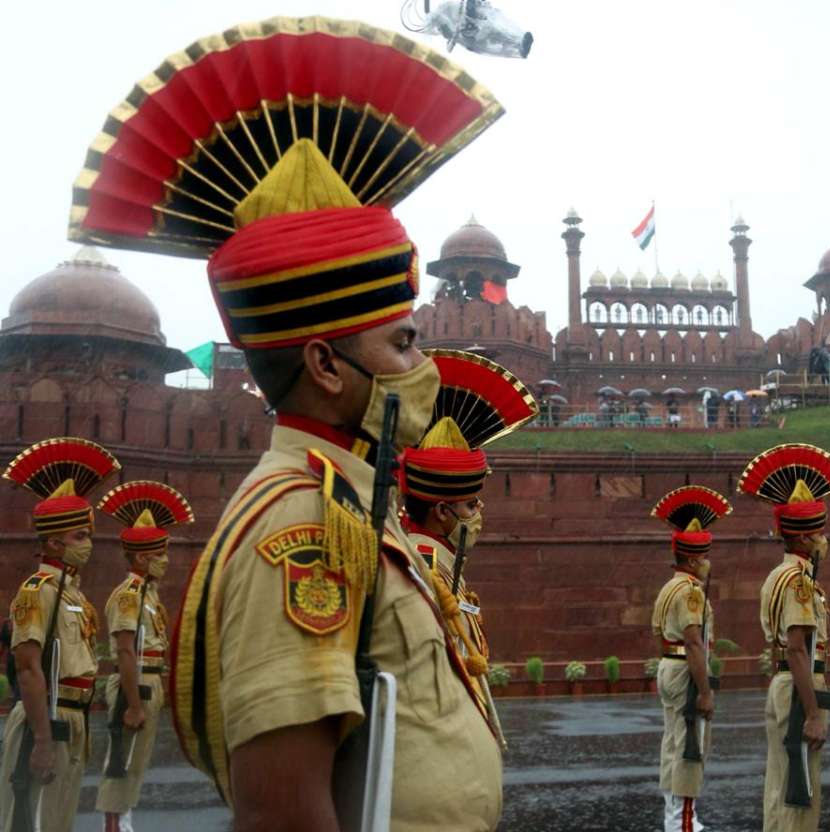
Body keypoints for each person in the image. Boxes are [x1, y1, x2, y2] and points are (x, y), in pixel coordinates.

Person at [69, 16, 508, 828]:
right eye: (403, 342)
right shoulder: (306, 524)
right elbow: (284, 808)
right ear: (326, 365)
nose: (423, 368)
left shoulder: (349, 504)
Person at [399, 348, 538, 748]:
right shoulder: (420, 567)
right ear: (443, 512)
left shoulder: (437, 563)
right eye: (471, 505)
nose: (479, 513)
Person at [0, 437, 120, 832]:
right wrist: (41, 740)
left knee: (56, 822)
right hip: (47, 719)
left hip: (74, 719)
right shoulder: (37, 591)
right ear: (53, 542)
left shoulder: (73, 594)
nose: (89, 545)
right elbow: (30, 670)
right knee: (30, 821)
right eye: (79, 538)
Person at [739, 443, 830, 832]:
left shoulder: (777, 576)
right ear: (804, 538)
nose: (824, 540)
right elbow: (798, 648)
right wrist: (814, 713)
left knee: (782, 782)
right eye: (819, 531)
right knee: (800, 788)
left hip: (785, 683)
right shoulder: (799, 582)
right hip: (800, 686)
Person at [94, 481, 194, 832]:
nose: (166, 560)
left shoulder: (147, 595)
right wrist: (133, 704)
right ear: (140, 558)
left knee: (136, 761)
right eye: (159, 554)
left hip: (148, 680)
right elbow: (124, 650)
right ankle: (115, 824)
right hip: (133, 683)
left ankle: (124, 820)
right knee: (122, 758)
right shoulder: (129, 596)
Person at [649, 486, 732, 832]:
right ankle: (682, 822)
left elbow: (658, 632)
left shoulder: (670, 587)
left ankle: (678, 818)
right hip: (685, 669)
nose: (709, 562)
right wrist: (705, 691)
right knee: (689, 746)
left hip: (669, 664)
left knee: (674, 743)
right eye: (706, 556)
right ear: (695, 559)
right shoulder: (691, 592)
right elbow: (695, 643)